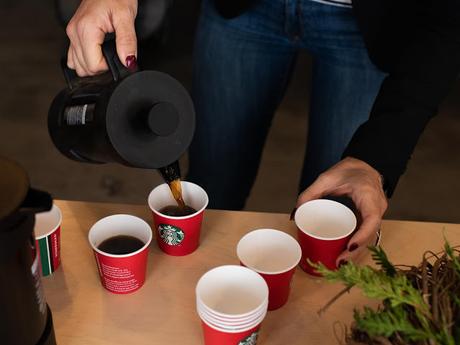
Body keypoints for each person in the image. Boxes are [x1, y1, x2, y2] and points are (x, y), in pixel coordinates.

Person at [65, 0, 460, 266]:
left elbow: (448, 21)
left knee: (333, 218)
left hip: (372, 23)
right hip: (244, 10)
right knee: (213, 182)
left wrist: (376, 159)